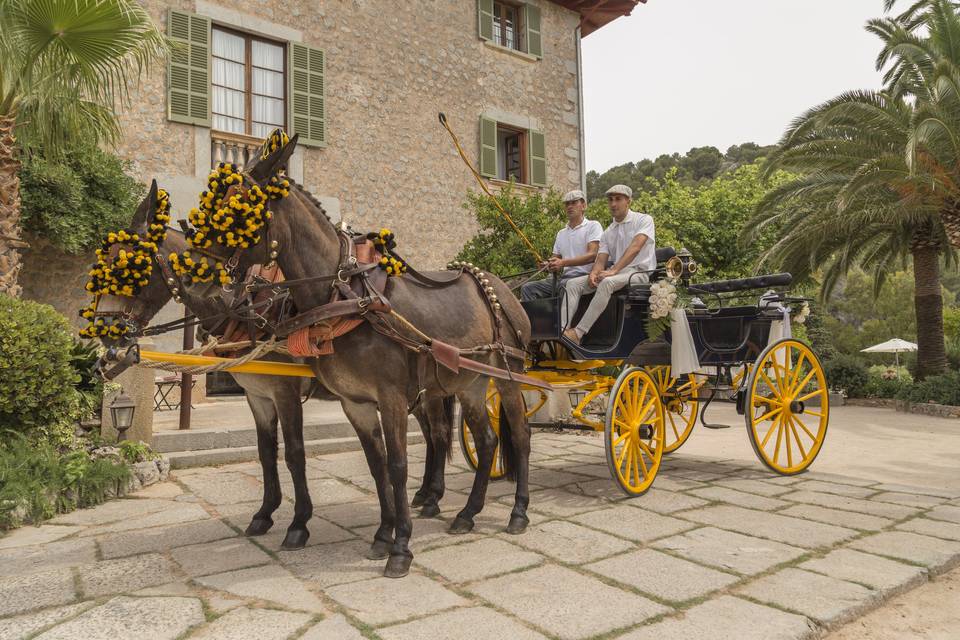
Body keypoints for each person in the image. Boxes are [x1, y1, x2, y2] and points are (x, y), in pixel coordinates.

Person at [561, 184, 656, 345]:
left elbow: (635, 247)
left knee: (606, 282)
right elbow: (600, 260)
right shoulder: (608, 232)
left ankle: (578, 333)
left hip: (639, 274)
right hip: (618, 273)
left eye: (618, 199)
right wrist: (593, 273)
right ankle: (563, 331)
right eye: (611, 200)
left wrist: (614, 270)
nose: (613, 204)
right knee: (572, 284)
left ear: (628, 201)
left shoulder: (644, 220)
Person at [520, 190, 602, 301]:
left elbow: (592, 255)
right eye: (567, 204)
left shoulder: (593, 226)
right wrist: (547, 265)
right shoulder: (561, 233)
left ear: (583, 206)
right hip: (563, 279)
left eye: (573, 203)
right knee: (528, 288)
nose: (569, 206)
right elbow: (555, 259)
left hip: (585, 278)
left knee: (565, 287)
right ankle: (533, 319)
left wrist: (563, 263)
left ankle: (561, 319)